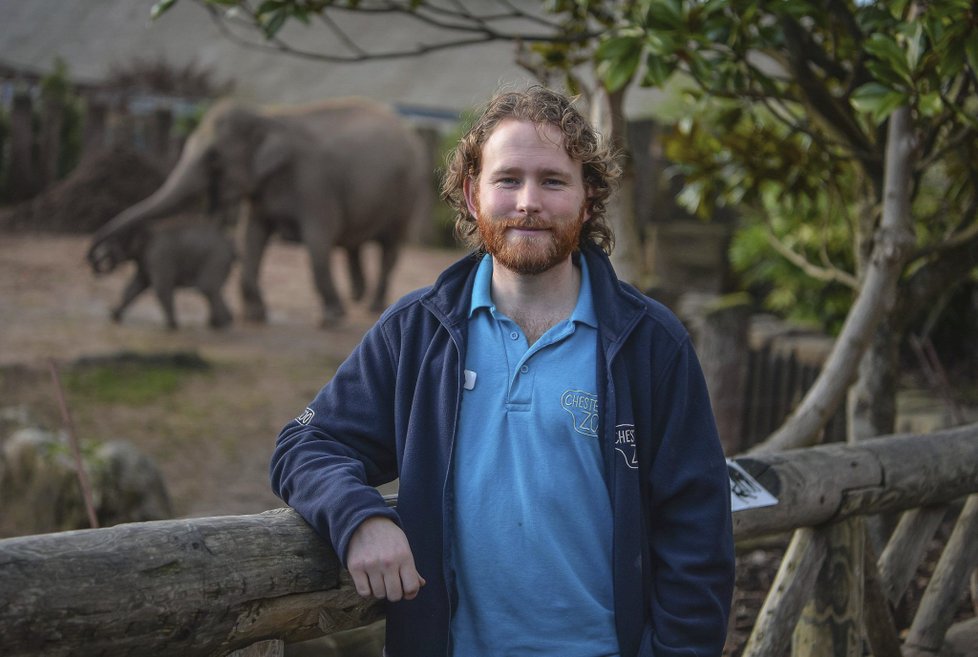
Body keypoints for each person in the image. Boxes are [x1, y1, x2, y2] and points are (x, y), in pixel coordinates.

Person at [270, 86, 735, 657]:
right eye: (508, 179)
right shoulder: (419, 332)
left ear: (588, 197)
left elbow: (698, 534)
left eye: (553, 181)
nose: (528, 202)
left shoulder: (649, 344)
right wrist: (360, 518)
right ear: (472, 194)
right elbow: (305, 443)